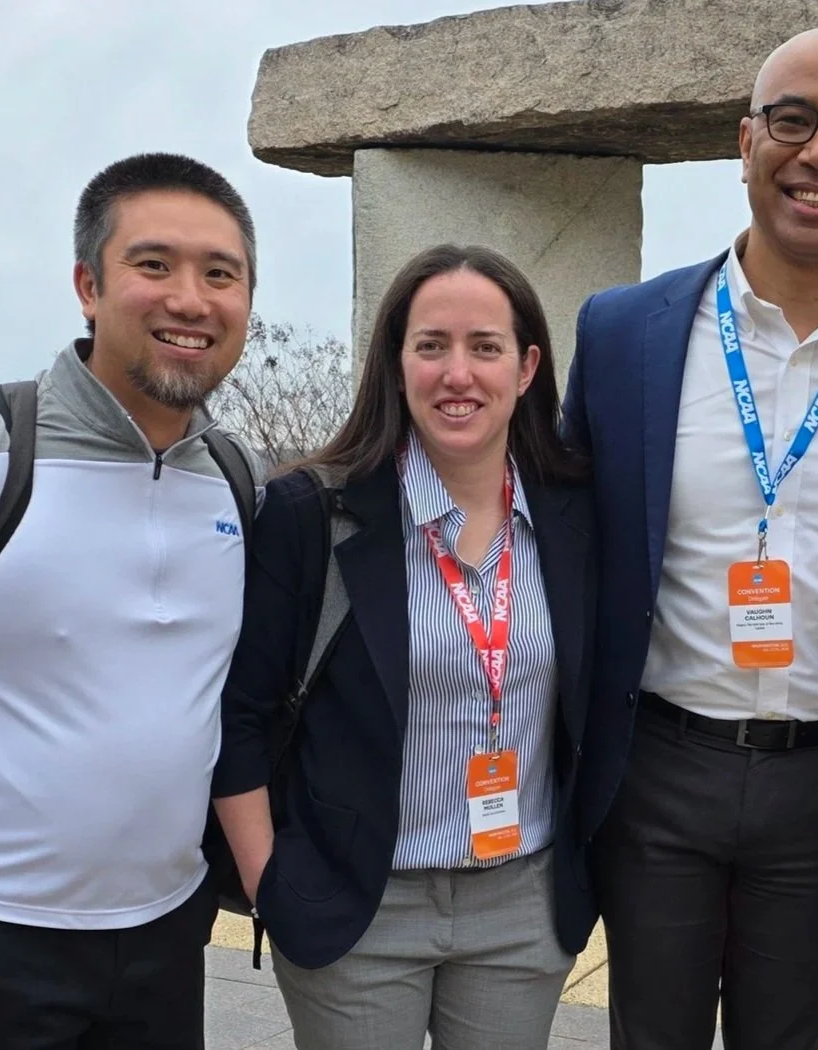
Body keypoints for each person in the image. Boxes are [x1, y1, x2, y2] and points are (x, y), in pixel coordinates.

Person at [562, 26, 818, 1050]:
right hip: (657, 771)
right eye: (791, 120)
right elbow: (559, 538)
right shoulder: (621, 332)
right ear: (744, 142)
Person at [0, 153, 261, 1050]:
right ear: (87, 285)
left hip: (170, 934)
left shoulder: (237, 479)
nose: (191, 298)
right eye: (154, 265)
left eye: (221, 274)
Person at [213, 244, 596, 1050]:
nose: (458, 373)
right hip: (358, 907)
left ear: (526, 368)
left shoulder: (575, 518)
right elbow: (238, 715)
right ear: (396, 363)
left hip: (521, 908)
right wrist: (269, 883)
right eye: (432, 346)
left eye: (485, 347)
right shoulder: (310, 515)